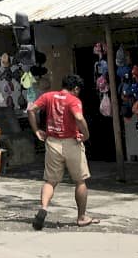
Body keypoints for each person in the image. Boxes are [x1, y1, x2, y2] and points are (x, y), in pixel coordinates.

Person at [27, 73, 95, 229]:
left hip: (52, 142)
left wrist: (36, 130)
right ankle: (81, 217)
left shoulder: (48, 96)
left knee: (50, 181)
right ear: (75, 88)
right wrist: (86, 135)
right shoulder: (74, 100)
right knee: (80, 181)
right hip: (72, 143)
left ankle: (44, 208)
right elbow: (79, 117)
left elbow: (31, 110)